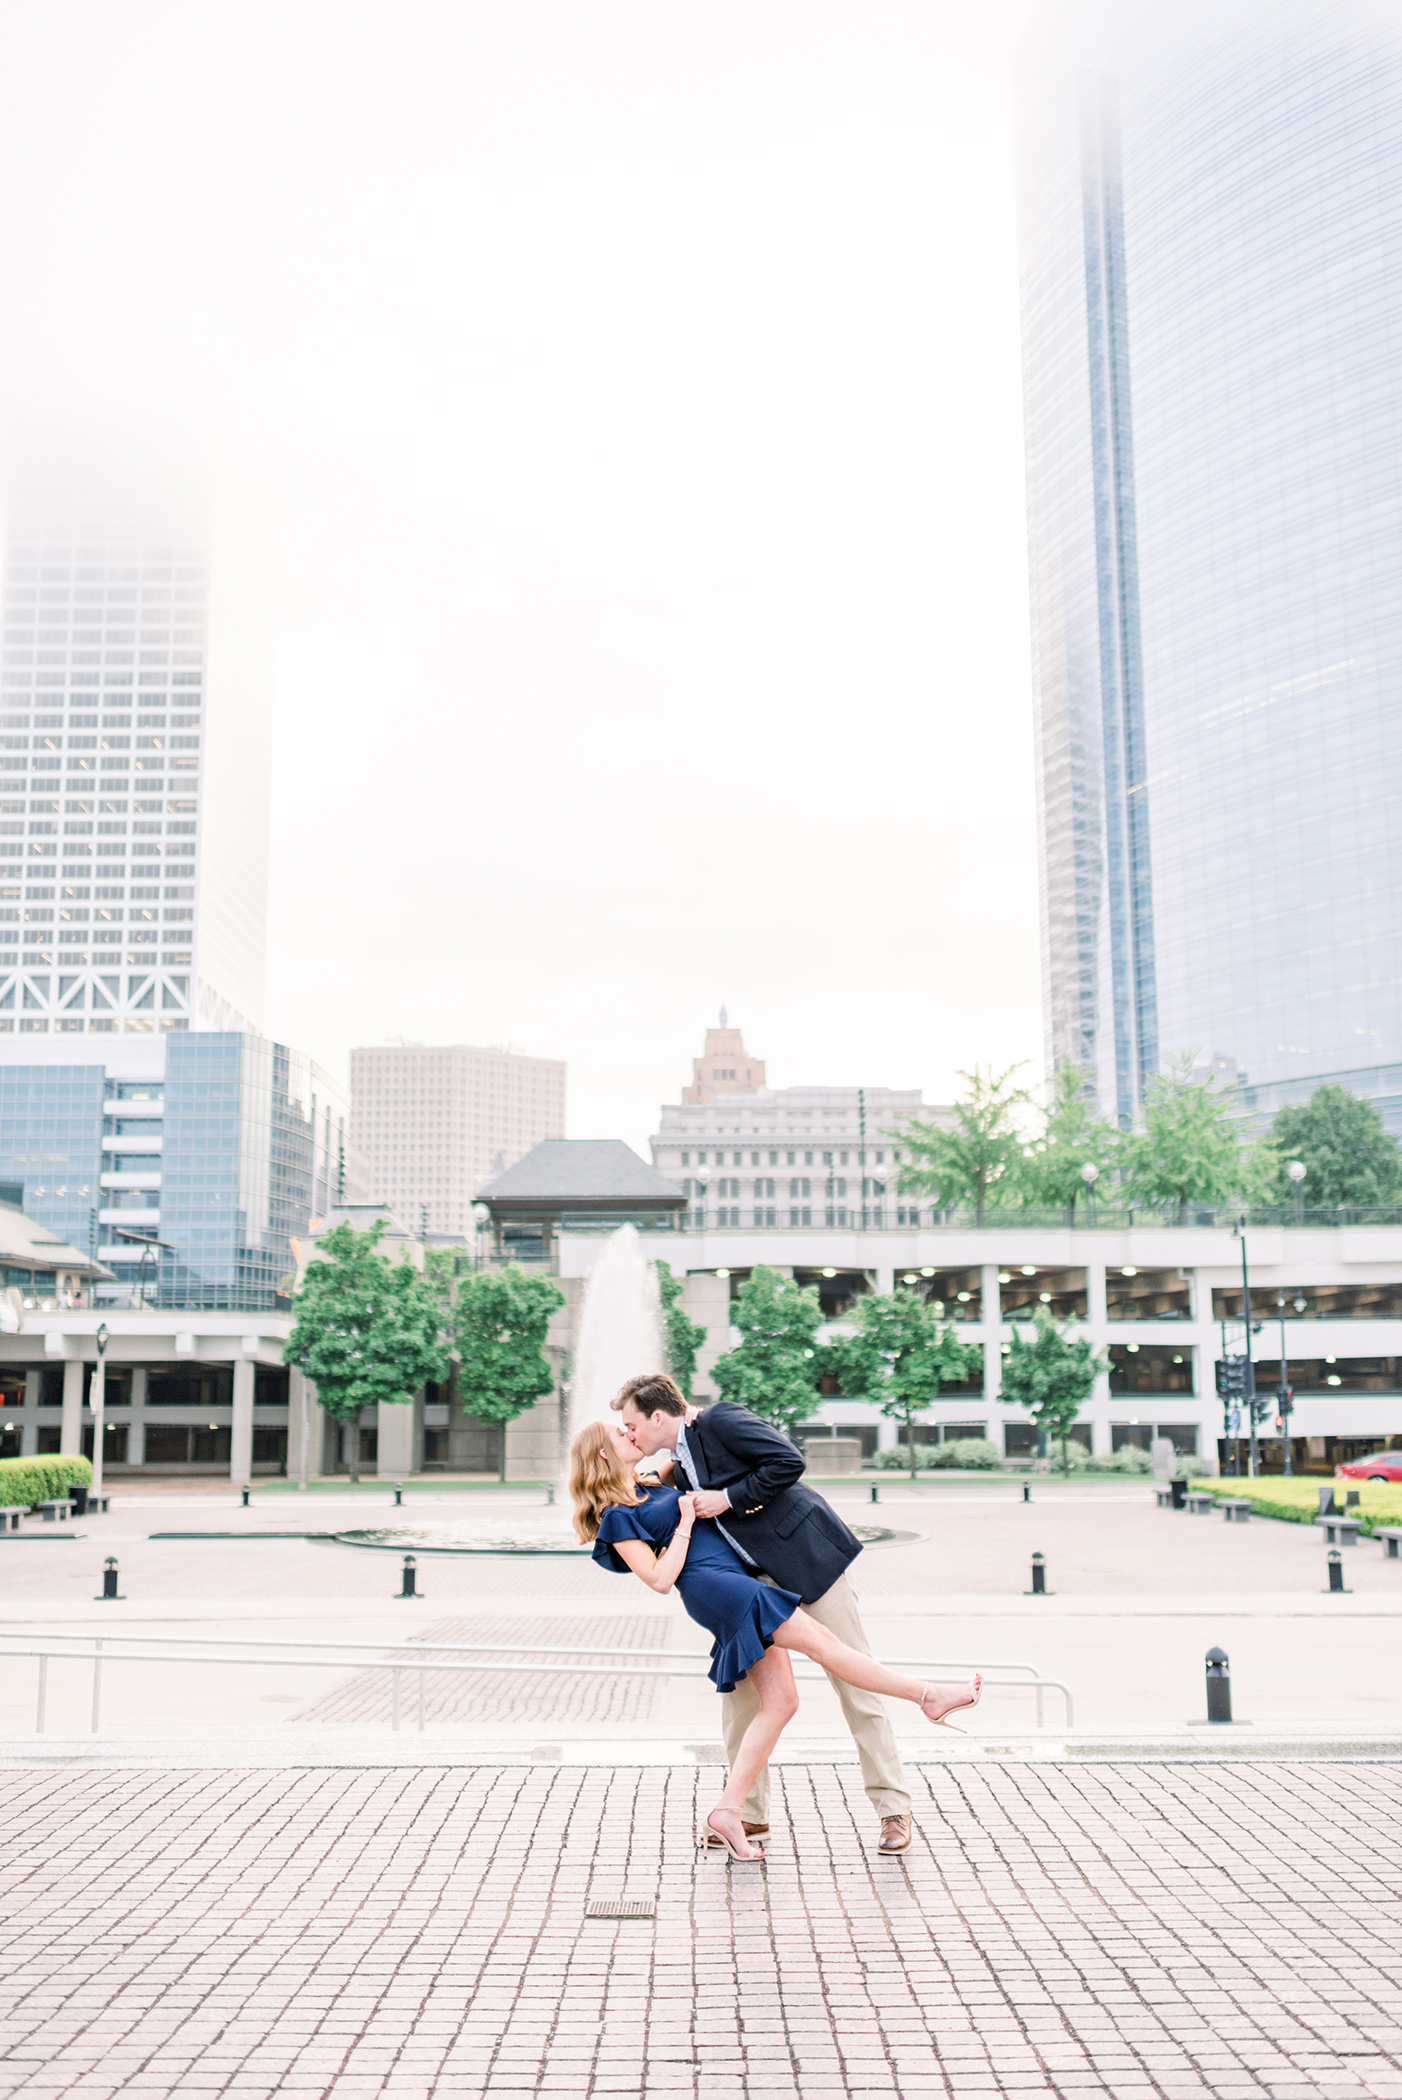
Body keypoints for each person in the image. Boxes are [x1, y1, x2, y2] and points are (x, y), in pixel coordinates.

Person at [569, 1410, 980, 1864]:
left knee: (821, 1689)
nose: (629, 1431)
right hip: (733, 1586)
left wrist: (706, 1472)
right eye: (621, 1429)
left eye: (631, 1422)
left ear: (659, 1416)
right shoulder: (627, 1505)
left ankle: (889, 1810)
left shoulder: (677, 1458)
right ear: (606, 1452)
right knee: (752, 1700)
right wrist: (685, 1520)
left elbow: (783, 1461)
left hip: (803, 1562)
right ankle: (749, 1813)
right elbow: (658, 1574)